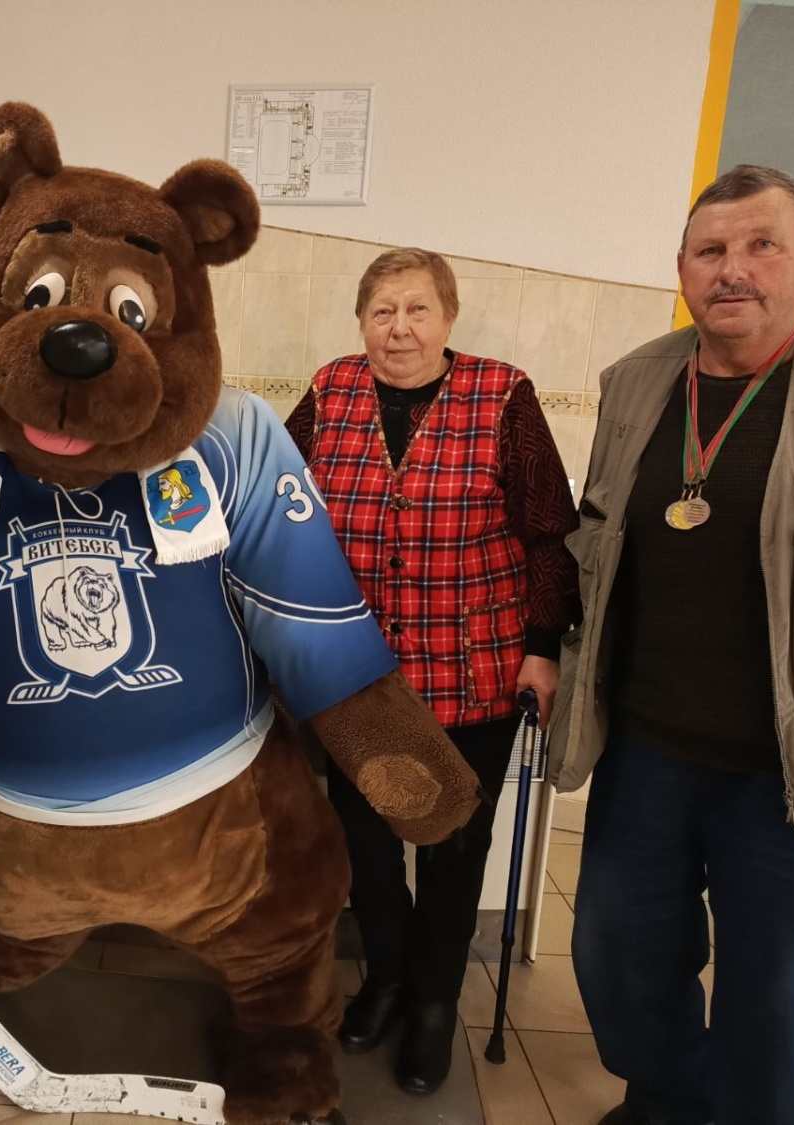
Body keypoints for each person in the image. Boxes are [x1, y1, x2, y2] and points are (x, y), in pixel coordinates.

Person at [549, 165, 794, 1125]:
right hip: (649, 751)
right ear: (682, 267)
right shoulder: (639, 381)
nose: (734, 269)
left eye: (763, 244)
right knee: (619, 957)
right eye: (711, 249)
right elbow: (598, 544)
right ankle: (671, 1099)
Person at [285, 247, 578, 1095]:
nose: (399, 328)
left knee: (451, 847)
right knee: (367, 847)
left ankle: (434, 1005)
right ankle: (384, 978)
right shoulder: (332, 389)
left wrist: (544, 645)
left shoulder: (504, 395)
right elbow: (279, 500)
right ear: (361, 322)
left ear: (449, 317)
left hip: (474, 676)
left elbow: (549, 533)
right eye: (382, 310)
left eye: (417, 309)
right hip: (357, 680)